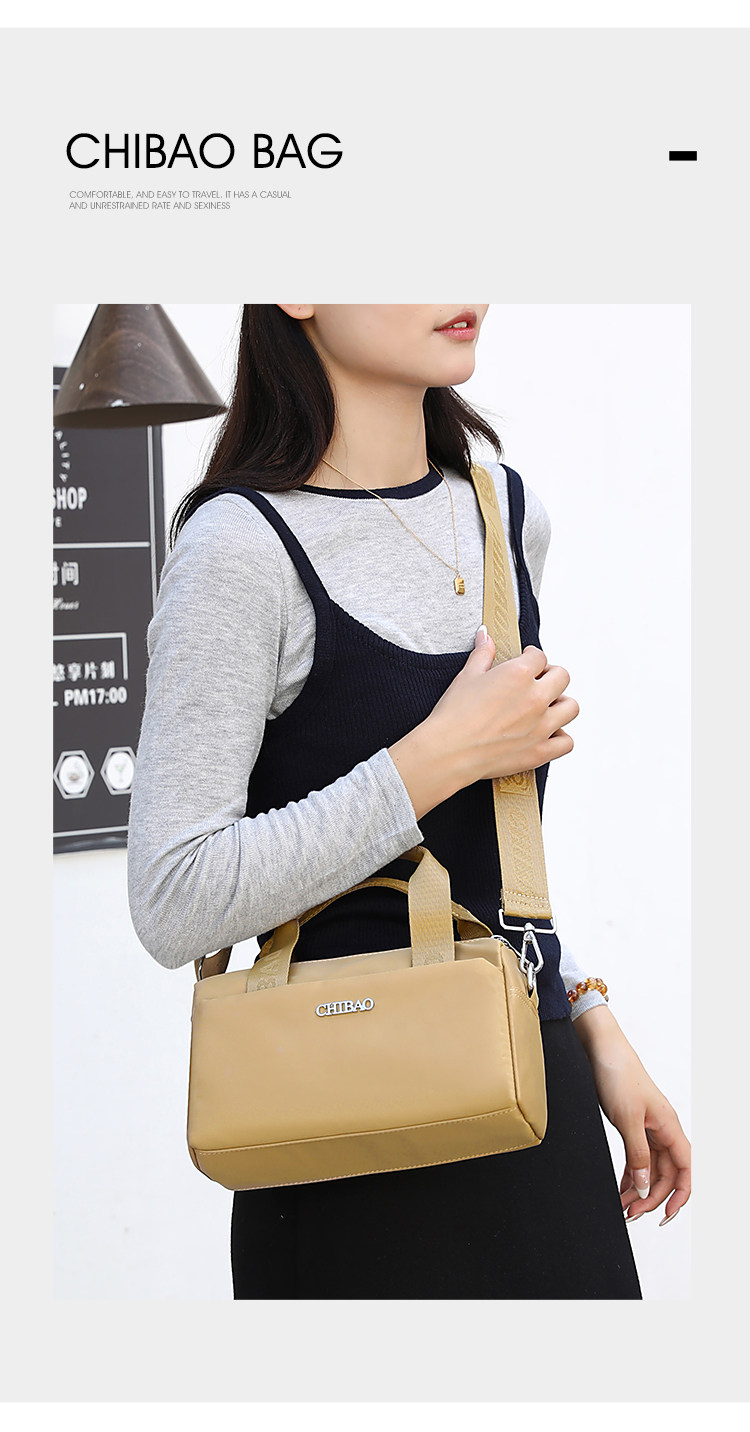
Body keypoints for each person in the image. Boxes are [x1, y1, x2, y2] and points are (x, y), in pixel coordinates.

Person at [127, 303, 691, 1299]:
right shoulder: (240, 548)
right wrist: (434, 758)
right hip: (333, 1132)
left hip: (530, 1100)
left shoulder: (505, 513)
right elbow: (175, 898)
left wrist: (588, 1015)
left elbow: (495, 858)